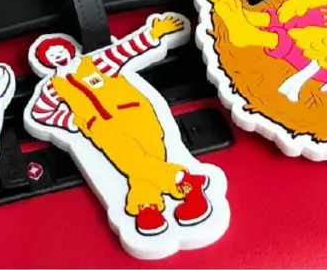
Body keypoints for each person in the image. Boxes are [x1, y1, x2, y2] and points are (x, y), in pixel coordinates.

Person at [28, 16, 211, 236]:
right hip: (103, 131)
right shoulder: (53, 87)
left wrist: (153, 33)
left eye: (59, 50)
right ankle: (186, 184)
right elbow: (40, 112)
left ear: (68, 50)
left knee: (147, 161)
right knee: (133, 163)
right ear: (47, 62)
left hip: (137, 114)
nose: (57, 55)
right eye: (51, 55)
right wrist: (73, 121)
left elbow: (123, 51)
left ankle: (148, 209)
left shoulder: (96, 62)